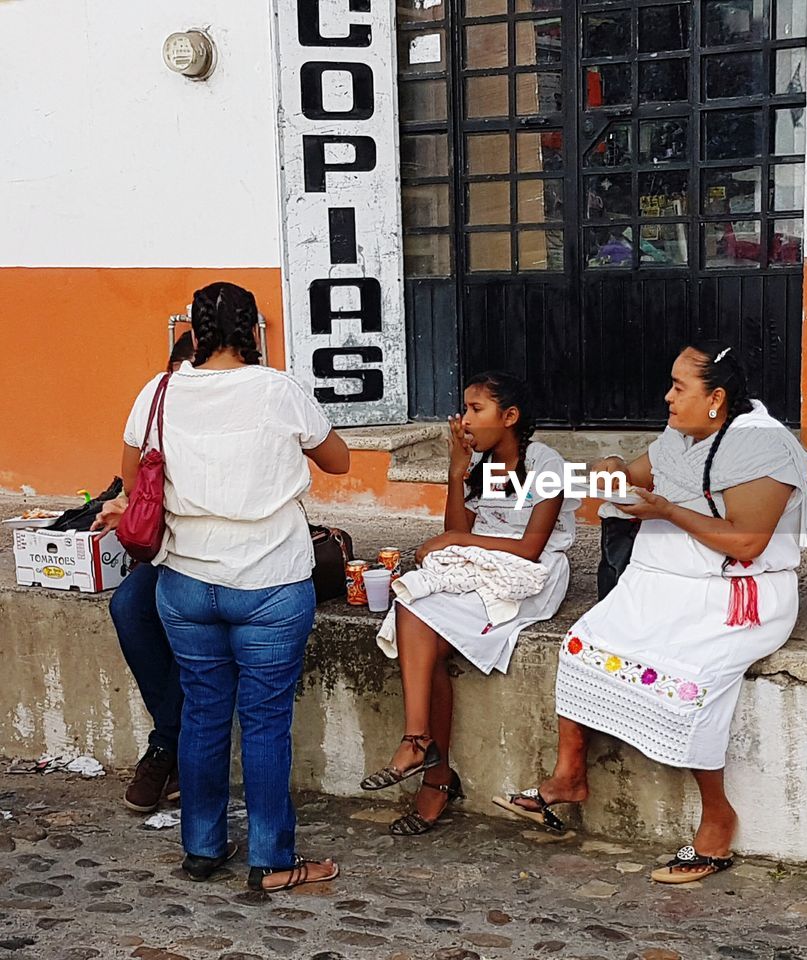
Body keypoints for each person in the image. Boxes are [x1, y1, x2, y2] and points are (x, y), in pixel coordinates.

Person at [493, 342, 807, 884]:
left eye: (678, 387)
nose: (666, 397)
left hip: (735, 599)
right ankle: (569, 776)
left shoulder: (765, 450)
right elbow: (640, 476)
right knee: (582, 645)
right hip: (660, 585)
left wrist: (666, 507)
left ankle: (717, 818)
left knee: (690, 682)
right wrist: (613, 469)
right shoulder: (683, 435)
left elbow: (747, 543)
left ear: (716, 399)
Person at [115, 282, 350, 892]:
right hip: (270, 580)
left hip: (187, 580)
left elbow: (130, 475)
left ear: (194, 329)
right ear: (253, 329)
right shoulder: (278, 390)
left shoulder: (159, 391)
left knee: (201, 714)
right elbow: (339, 460)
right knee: (266, 721)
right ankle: (272, 861)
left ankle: (201, 848)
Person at [360, 371, 578, 835]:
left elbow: (530, 548)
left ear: (510, 417)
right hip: (479, 562)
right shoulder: (482, 465)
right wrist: (456, 472)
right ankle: (424, 753)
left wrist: (458, 539)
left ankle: (428, 765)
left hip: (528, 574)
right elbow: (455, 526)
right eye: (464, 408)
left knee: (419, 613)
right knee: (415, 612)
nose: (464, 419)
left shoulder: (547, 465)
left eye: (476, 409)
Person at [93, 333, 195, 813]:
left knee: (182, 613)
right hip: (168, 549)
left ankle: (164, 746)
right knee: (129, 605)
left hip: (220, 556)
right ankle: (170, 744)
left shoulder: (245, 404)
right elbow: (134, 484)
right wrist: (124, 508)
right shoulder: (156, 402)